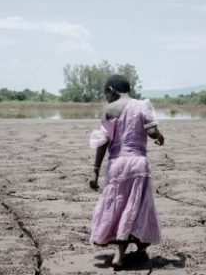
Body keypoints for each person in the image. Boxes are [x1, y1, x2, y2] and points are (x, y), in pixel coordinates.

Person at [88, 74, 164, 269]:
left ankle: (132, 250)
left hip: (116, 165)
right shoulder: (142, 105)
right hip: (139, 164)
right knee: (135, 207)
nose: (106, 98)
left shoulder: (110, 109)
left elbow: (103, 141)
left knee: (119, 206)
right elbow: (152, 131)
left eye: (106, 94)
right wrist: (160, 136)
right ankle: (122, 254)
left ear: (112, 90)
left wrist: (95, 170)